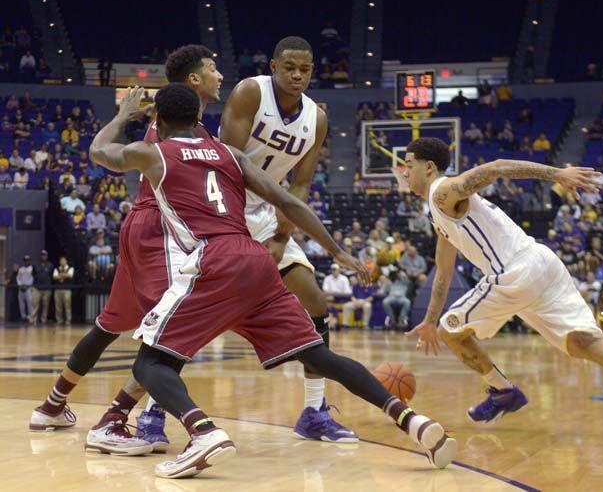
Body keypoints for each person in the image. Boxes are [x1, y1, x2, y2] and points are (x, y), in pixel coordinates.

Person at [80, 84, 456, 477]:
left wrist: (123, 114)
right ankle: (415, 423)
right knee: (318, 355)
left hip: (214, 261)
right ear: (198, 120)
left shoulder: (151, 152)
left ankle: (203, 433)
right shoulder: (230, 154)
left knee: (150, 362)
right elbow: (290, 202)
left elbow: (98, 151)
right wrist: (337, 251)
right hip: (255, 260)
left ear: (157, 120)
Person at [401, 137, 603, 440]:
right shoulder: (440, 213)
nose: (404, 172)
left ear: (429, 167)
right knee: (580, 342)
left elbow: (497, 168)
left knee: (450, 331)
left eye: (408, 165)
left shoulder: (442, 192)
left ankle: (504, 391)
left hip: (514, 273)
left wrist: (557, 174)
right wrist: (428, 318)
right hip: (542, 263)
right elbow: (444, 272)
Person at [29, 45, 222, 447]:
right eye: (213, 68)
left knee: (108, 326)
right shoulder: (186, 132)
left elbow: (100, 151)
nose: (220, 75)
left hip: (139, 227)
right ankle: (116, 420)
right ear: (194, 81)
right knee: (170, 331)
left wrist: (120, 116)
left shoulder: (175, 126)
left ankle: (51, 405)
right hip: (161, 229)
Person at [219, 36, 358, 442]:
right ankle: (155, 408)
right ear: (273, 65)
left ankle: (314, 412)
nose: (297, 75)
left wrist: (281, 235)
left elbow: (301, 184)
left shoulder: (317, 117)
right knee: (199, 311)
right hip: (220, 206)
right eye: (289, 67)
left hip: (265, 212)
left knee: (313, 300)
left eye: (305, 69)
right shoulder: (250, 93)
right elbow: (226, 165)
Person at [31, 250, 54, 324]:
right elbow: (33, 274)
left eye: (44, 255)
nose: (43, 256)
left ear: (47, 256)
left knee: (45, 306)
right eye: (42, 255)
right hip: (37, 288)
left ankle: (43, 320)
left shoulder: (50, 265)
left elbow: (51, 275)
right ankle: (33, 320)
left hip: (47, 289)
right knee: (34, 304)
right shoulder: (35, 264)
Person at [53, 256, 74, 325]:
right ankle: (59, 320)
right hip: (58, 290)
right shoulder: (56, 268)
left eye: (63, 260)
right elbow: (54, 277)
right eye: (61, 260)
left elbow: (70, 275)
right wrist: (64, 275)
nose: (62, 262)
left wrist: (60, 275)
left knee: (67, 306)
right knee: (58, 306)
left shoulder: (70, 268)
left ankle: (68, 320)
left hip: (67, 290)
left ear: (66, 261)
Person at [17, 255, 34, 323]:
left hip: (28, 289)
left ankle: (30, 318)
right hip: (21, 288)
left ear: (29, 260)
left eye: (28, 260)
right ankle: (23, 317)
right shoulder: (21, 269)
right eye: (25, 260)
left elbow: (32, 278)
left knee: (29, 304)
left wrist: (27, 286)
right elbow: (18, 278)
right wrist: (20, 285)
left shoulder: (32, 268)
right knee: (21, 304)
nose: (26, 261)